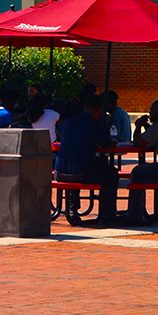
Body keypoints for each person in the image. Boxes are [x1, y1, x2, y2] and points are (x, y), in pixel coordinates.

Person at [53, 93, 118, 224]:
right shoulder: (96, 128)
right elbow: (109, 145)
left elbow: (59, 131)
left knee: (76, 166)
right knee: (111, 173)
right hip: (82, 173)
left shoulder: (68, 122)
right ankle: (108, 214)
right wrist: (115, 139)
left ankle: (73, 210)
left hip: (59, 173)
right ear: (99, 111)